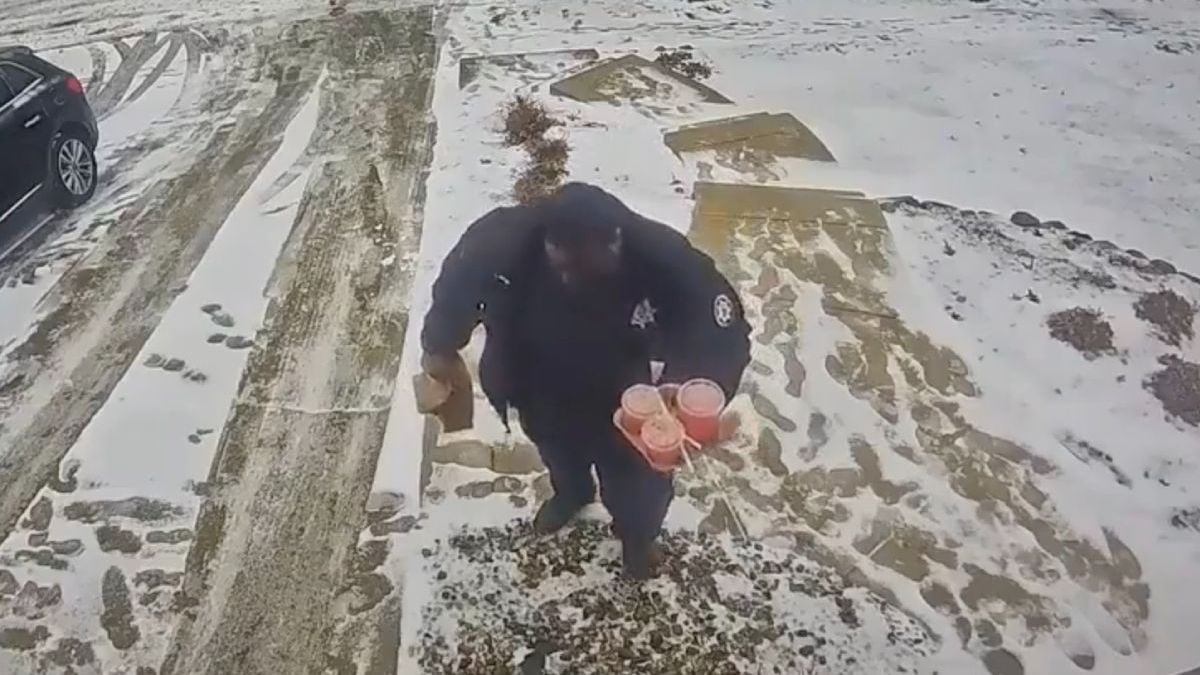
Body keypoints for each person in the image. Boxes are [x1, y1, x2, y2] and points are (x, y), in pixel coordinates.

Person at [419, 182, 751, 579]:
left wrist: (691, 393)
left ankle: (637, 540)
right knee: (559, 457)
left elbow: (721, 332)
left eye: (590, 268)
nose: (575, 278)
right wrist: (439, 344)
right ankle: (572, 494)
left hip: (631, 403)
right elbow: (455, 290)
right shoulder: (499, 243)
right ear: (547, 242)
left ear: (617, 243)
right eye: (564, 266)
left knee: (639, 489)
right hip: (537, 387)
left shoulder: (663, 257)